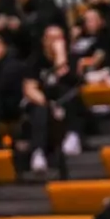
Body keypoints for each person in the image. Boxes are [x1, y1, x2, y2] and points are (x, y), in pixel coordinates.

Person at [19, 25, 86, 177]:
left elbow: (73, 83)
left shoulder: (73, 58)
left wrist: (60, 57)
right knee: (38, 109)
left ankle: (73, 135)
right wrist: (47, 104)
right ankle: (38, 153)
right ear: (44, 41)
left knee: (69, 94)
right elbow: (29, 88)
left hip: (66, 100)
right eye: (51, 38)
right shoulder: (35, 61)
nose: (55, 42)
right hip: (44, 101)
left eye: (59, 38)